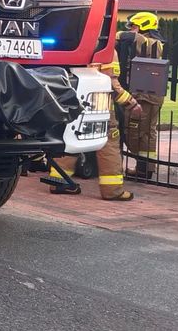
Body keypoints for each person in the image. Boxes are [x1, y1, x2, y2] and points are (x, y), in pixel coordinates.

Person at [49, 56, 141, 201]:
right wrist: (131, 103)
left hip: (74, 98)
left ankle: (58, 182)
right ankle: (112, 190)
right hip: (98, 101)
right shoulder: (107, 49)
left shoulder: (78, 42)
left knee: (71, 137)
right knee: (108, 142)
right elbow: (110, 83)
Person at [121, 12, 166, 179]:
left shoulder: (153, 42)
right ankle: (144, 168)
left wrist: (117, 34)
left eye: (134, 26)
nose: (131, 30)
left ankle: (144, 170)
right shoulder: (145, 41)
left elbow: (134, 39)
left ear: (144, 26)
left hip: (147, 95)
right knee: (142, 131)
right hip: (145, 93)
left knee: (143, 132)